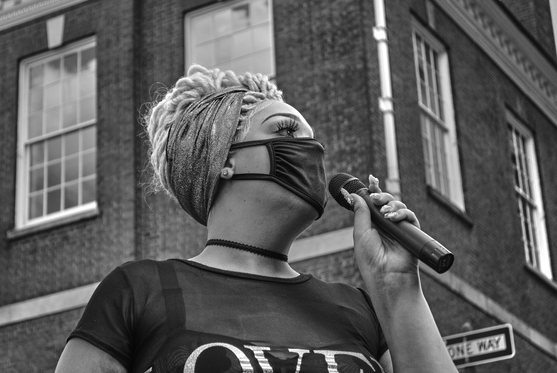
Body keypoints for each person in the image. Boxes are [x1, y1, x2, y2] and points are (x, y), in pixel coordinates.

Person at [54, 65, 458, 373]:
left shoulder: (359, 308)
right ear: (222, 159)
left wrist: (396, 287)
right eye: (286, 130)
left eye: (311, 138)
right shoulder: (139, 291)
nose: (311, 149)